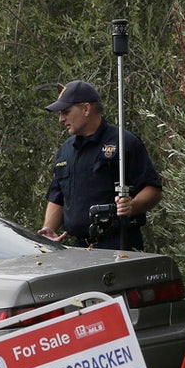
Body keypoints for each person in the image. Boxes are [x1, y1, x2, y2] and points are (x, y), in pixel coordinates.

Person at [37, 80, 162, 250]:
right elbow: (57, 196)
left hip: (118, 245)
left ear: (86, 108)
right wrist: (49, 229)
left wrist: (132, 206)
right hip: (79, 249)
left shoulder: (123, 142)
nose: (61, 119)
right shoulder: (65, 151)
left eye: (66, 112)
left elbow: (153, 189)